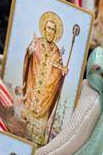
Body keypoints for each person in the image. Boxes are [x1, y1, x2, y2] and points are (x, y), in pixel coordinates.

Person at [20, 12, 69, 144]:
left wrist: (62, 71)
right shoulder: (36, 43)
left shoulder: (57, 51)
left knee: (36, 134)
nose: (50, 31)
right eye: (48, 28)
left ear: (55, 32)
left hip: (46, 94)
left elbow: (58, 70)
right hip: (32, 85)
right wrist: (29, 52)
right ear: (44, 29)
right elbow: (28, 59)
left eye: (53, 29)